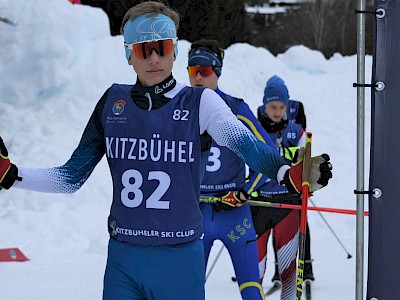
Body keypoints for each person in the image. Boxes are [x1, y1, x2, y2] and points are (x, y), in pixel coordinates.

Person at [0, 2, 332, 299]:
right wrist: (12, 175)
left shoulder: (200, 102)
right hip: (124, 260)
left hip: (179, 259)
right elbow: (71, 177)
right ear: (129, 54)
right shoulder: (111, 103)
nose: (155, 58)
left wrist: (286, 172)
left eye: (163, 47)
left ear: (174, 51)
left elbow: (244, 143)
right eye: (145, 50)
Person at [187, 39, 278, 300]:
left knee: (251, 290)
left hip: (234, 212)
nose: (198, 78)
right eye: (193, 71)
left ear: (218, 72)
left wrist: (246, 191)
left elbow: (267, 155)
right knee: (186, 291)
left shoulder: (236, 109)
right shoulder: (179, 109)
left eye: (205, 71)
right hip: (196, 215)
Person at [248, 75, 318, 299]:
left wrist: (313, 177)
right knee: (254, 270)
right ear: (264, 105)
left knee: (288, 271)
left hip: (288, 206)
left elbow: (304, 168)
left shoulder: (296, 132)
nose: (277, 112)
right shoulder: (254, 129)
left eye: (281, 107)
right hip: (258, 204)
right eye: (272, 106)